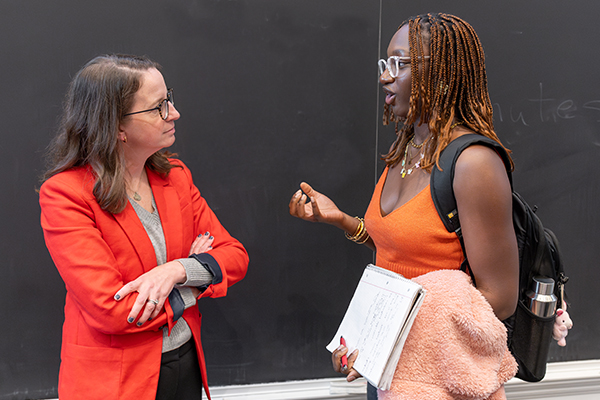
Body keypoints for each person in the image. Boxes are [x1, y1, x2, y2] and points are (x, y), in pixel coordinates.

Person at [289, 13, 571, 399]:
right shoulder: (407, 147)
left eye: (399, 64)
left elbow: (500, 299)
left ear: (440, 72)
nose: (385, 77)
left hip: (439, 381)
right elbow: (408, 251)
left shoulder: (475, 163)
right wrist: (342, 221)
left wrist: (390, 330)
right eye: (384, 64)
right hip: (389, 372)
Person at [39, 54, 249, 400]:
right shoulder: (66, 195)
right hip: (115, 382)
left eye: (169, 100)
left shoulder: (175, 178)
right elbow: (113, 311)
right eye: (158, 108)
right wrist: (196, 282)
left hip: (184, 363)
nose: (174, 113)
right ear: (116, 126)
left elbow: (234, 256)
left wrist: (176, 270)